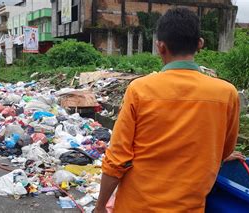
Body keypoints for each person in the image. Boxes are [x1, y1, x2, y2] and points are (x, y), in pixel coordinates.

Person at [95, 8, 240, 212]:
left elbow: (117, 159)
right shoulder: (226, 94)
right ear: (200, 44)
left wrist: (100, 206)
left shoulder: (140, 90)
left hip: (136, 206)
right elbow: (224, 148)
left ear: (160, 47)